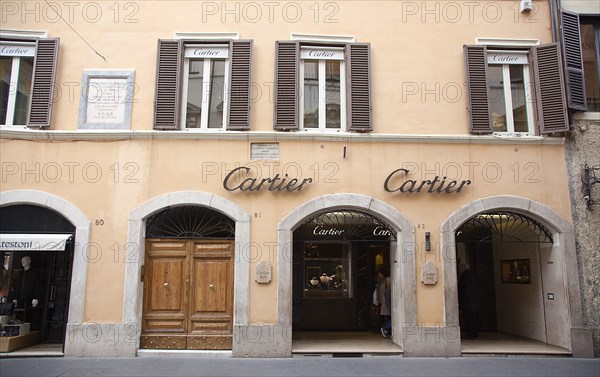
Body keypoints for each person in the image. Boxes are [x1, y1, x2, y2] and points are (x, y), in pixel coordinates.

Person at [458, 262, 479, 338]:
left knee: (468, 318)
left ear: (463, 268)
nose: (459, 269)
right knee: (473, 317)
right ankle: (474, 332)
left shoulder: (465, 276)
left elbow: (462, 289)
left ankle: (471, 333)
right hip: (472, 301)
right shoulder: (472, 275)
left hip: (467, 301)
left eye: (460, 268)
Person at [377, 265, 391, 338]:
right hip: (382, 301)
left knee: (390, 317)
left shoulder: (387, 280)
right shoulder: (381, 280)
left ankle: (385, 328)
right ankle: (385, 329)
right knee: (388, 317)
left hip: (386, 302)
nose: (378, 274)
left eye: (379, 273)